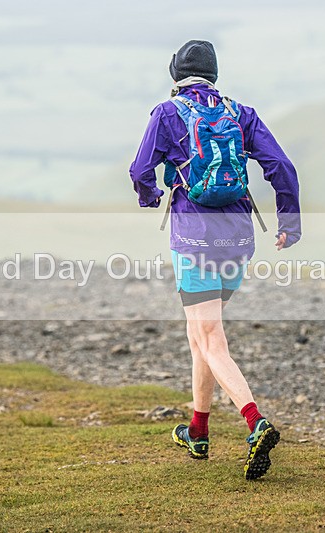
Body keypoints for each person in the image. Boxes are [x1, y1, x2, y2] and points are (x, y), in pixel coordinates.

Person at [129, 40, 301, 480]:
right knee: (200, 334)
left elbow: (140, 171)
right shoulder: (241, 113)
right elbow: (281, 166)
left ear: (176, 76)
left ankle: (255, 422)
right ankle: (198, 431)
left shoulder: (167, 114)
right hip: (239, 238)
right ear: (213, 75)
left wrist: (151, 197)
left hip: (194, 239)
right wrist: (290, 222)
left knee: (211, 339)